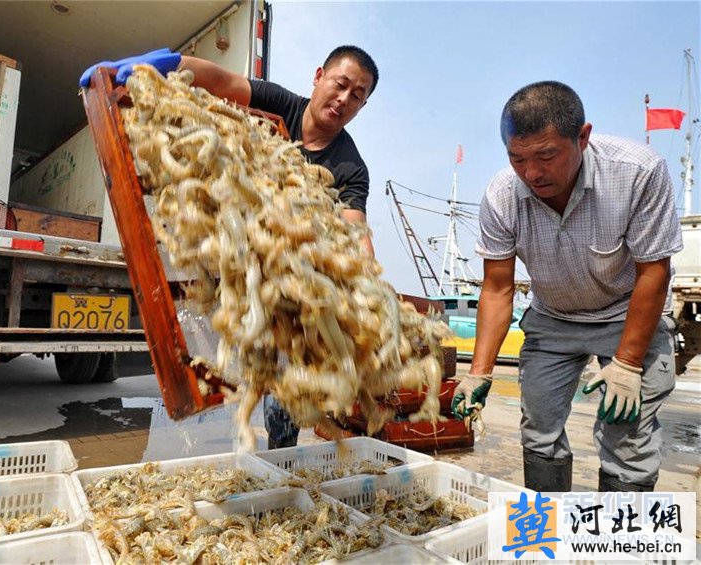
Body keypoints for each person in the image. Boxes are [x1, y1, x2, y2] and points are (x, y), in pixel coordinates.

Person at [81, 45, 379, 449]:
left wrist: (369, 289)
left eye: (358, 95)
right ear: (319, 76)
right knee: (221, 360)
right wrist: (163, 66)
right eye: (341, 85)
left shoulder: (350, 166)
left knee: (285, 392)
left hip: (291, 283)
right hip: (232, 259)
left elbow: (354, 228)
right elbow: (221, 81)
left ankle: (283, 456)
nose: (344, 99)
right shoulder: (281, 106)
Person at [451, 81, 682, 492]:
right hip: (554, 318)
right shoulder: (503, 195)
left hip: (627, 314)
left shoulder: (638, 172)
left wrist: (627, 365)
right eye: (518, 158)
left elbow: (653, 273)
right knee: (538, 426)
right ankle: (547, 542)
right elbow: (498, 289)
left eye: (547, 155)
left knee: (626, 433)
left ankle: (620, 549)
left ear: (583, 137)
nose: (532, 173)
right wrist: (479, 372)